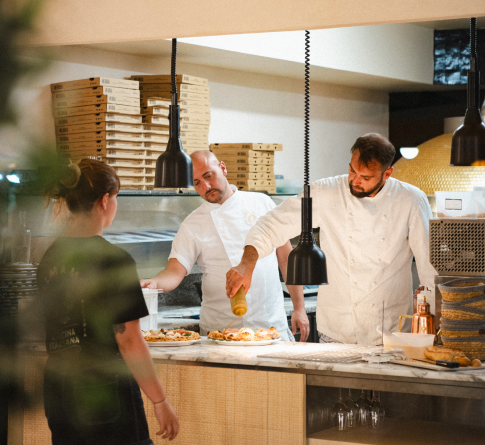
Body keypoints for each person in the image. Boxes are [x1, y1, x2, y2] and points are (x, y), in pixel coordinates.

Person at [226, 133, 437, 345]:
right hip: (335, 332)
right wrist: (247, 264)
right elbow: (272, 224)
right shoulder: (326, 192)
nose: (355, 181)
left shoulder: (410, 200)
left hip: (390, 333)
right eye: (352, 171)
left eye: (366, 177)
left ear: (387, 174)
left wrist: (436, 327)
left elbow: (430, 268)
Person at [37, 159, 179, 444]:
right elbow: (129, 341)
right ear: (105, 200)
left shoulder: (49, 257)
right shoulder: (114, 260)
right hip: (105, 391)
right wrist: (160, 400)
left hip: (59, 390)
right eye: (116, 198)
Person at [141, 150, 309, 341]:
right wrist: (153, 284)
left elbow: (286, 258)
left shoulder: (262, 203)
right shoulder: (192, 224)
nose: (206, 186)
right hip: (220, 331)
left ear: (223, 168)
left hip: (270, 325)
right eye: (197, 183)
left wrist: (299, 308)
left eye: (208, 176)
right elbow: (174, 271)